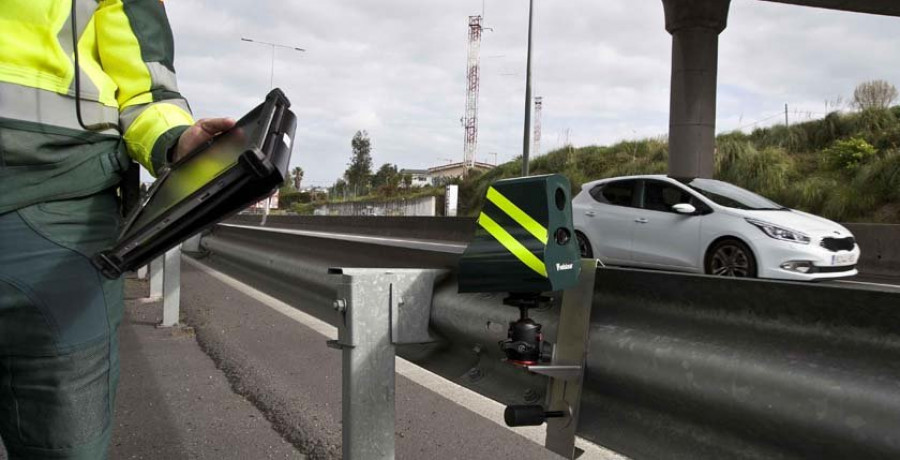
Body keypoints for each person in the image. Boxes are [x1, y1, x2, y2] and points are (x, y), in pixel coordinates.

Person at [0, 1, 233, 458]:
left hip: (57, 213)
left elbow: (145, 94)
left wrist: (176, 139)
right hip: (59, 222)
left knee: (67, 444)